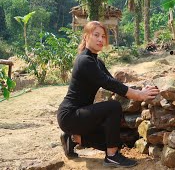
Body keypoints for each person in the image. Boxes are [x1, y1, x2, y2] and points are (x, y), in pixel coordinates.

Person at [57, 21, 159, 168]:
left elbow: (113, 84)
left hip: (79, 117)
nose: (100, 39)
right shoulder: (85, 61)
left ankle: (73, 138)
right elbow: (112, 85)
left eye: (103, 36)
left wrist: (142, 87)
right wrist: (140, 95)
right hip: (70, 115)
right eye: (96, 35)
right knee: (113, 107)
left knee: (116, 142)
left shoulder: (97, 62)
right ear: (86, 37)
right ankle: (111, 157)